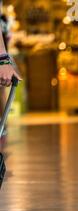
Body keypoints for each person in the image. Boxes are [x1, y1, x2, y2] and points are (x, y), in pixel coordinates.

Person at [0, 4, 20, 138]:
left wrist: (2, 59)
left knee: (1, 91)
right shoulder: (5, 20)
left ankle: (3, 123)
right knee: (1, 92)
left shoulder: (4, 19)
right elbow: (8, 38)